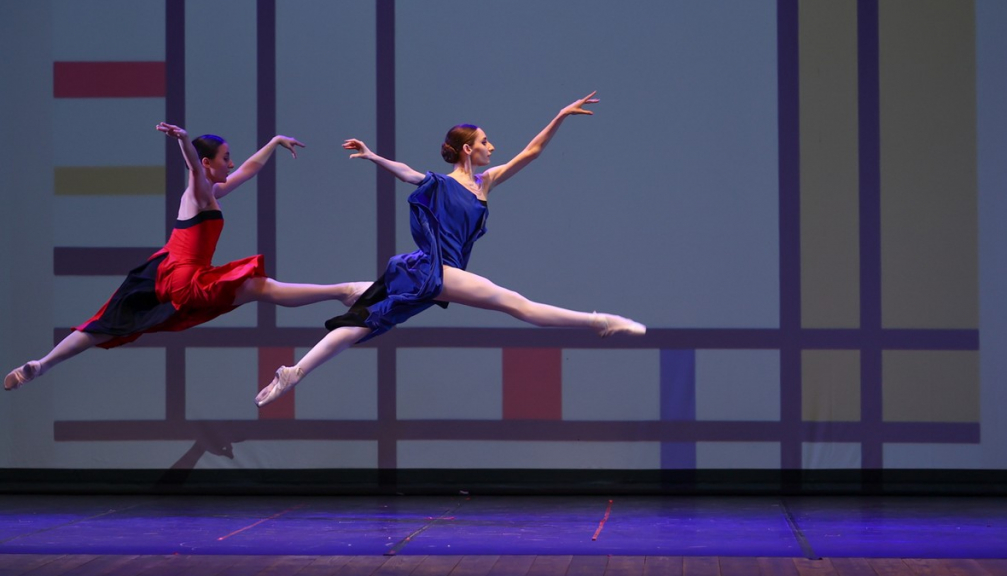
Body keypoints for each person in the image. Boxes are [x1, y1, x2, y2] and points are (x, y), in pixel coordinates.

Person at [255, 92, 645, 407]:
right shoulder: (440, 183)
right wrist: (374, 157)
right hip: (435, 270)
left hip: (427, 272)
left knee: (366, 317)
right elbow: (408, 173)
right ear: (466, 150)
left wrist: (559, 116)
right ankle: (598, 321)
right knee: (517, 305)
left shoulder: (485, 182)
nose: (492, 146)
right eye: (485, 142)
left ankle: (295, 372)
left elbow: (531, 153)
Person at [4, 123, 371, 391]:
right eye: (225, 158)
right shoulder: (199, 191)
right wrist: (183, 141)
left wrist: (274, 142)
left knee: (103, 326)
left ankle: (41, 364)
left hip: (161, 271)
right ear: (208, 162)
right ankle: (344, 291)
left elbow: (249, 170)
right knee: (260, 287)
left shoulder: (211, 190)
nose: (232, 164)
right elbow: (195, 168)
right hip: (184, 278)